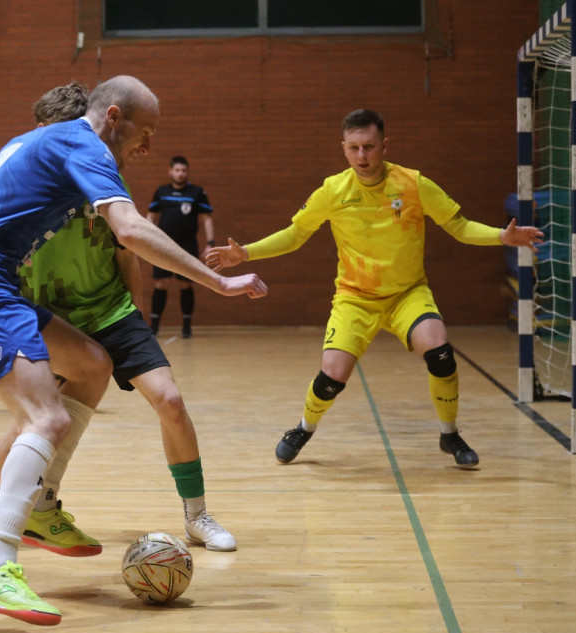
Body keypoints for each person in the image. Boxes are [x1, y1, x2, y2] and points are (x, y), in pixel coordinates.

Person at [0, 75, 267, 626]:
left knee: (90, 365)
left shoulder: (38, 143)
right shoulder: (81, 143)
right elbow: (129, 230)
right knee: (45, 416)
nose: (148, 146)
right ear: (112, 117)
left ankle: (40, 509)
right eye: (145, 131)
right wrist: (217, 282)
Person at [205, 108, 542, 469]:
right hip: (355, 298)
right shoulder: (333, 190)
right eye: (354, 148)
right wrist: (246, 254)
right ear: (344, 149)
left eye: (369, 146)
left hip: (407, 294)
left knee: (440, 352)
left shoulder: (413, 183)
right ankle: (302, 428)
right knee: (332, 375)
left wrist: (501, 236)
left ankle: (450, 434)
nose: (362, 156)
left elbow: (458, 226)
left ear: (384, 144)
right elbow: (295, 234)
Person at [146, 156, 215, 338]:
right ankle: (154, 326)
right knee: (161, 283)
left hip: (187, 245)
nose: (180, 173)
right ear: (170, 171)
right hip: (162, 245)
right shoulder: (161, 192)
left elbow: (207, 219)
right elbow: (151, 216)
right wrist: (147, 237)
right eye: (177, 170)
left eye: (184, 170)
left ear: (187, 172)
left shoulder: (197, 193)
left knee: (186, 283)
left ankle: (186, 326)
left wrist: (211, 243)